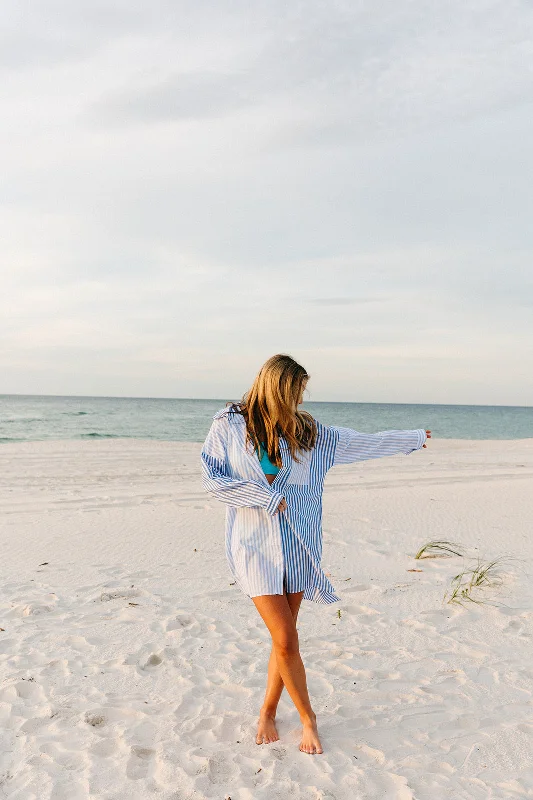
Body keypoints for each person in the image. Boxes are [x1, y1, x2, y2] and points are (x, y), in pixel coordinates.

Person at [200, 354, 431, 755]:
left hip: (298, 548)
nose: (301, 402)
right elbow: (212, 477)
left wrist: (411, 438)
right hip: (253, 547)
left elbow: (361, 443)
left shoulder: (308, 432)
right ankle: (308, 719)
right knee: (286, 638)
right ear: (277, 388)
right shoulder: (229, 424)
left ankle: (268, 711)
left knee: (283, 641)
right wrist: (263, 496)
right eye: (296, 393)